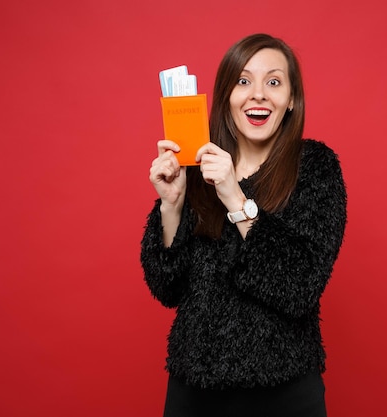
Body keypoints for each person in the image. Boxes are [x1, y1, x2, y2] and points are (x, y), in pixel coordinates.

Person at [141, 33, 347, 417]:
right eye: (243, 81)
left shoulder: (316, 168)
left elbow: (299, 287)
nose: (258, 95)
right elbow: (167, 288)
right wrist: (171, 206)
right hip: (194, 392)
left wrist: (236, 199)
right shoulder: (198, 167)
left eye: (273, 82)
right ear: (225, 97)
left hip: (283, 393)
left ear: (291, 101)